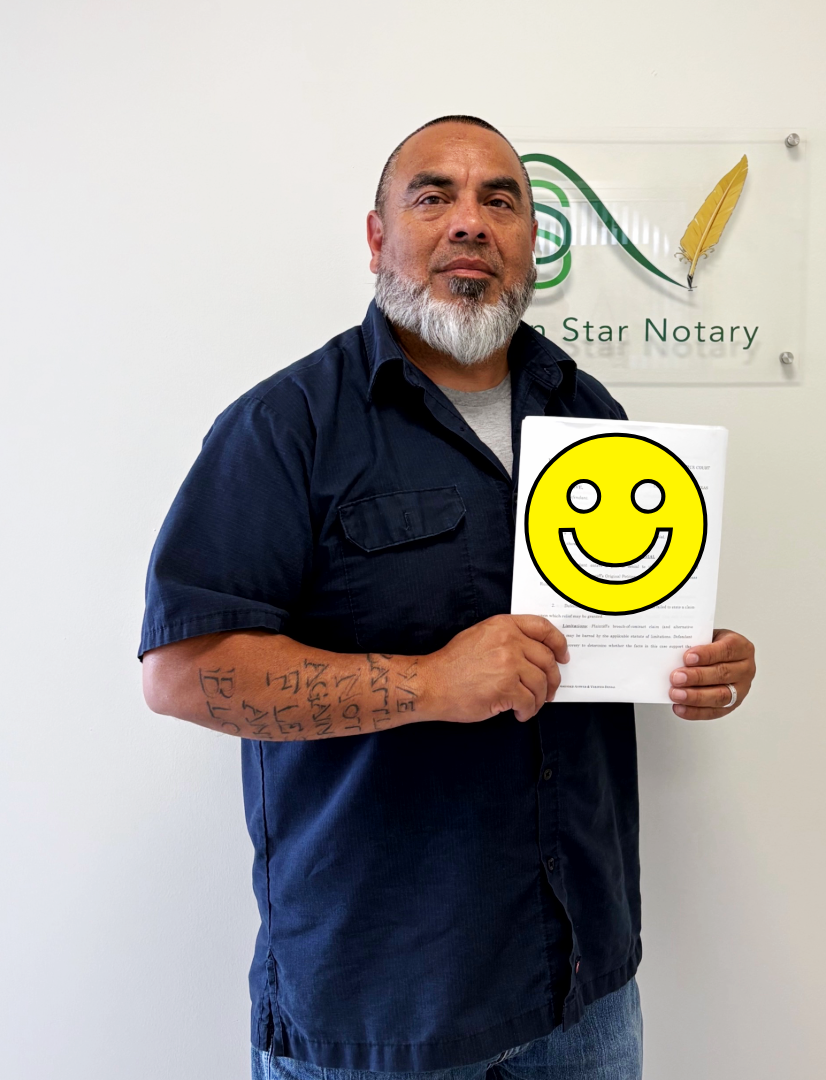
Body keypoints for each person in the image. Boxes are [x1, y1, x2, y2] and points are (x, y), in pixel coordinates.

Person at [140, 115, 757, 1080]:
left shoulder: (589, 412)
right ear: (380, 236)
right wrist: (430, 683)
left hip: (582, 990)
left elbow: (621, 621)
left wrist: (694, 655)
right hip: (380, 1007)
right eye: (434, 195)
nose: (470, 221)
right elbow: (182, 674)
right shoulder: (284, 427)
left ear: (531, 247)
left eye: (500, 200)